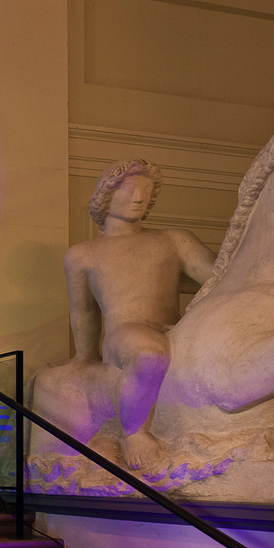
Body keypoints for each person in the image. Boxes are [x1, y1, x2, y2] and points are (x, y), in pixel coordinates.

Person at [63, 159, 216, 471]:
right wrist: (85, 356)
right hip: (125, 335)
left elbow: (219, 278)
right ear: (105, 196)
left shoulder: (174, 240)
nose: (138, 198)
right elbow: (83, 312)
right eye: (130, 190)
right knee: (147, 353)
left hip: (173, 330)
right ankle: (135, 433)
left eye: (146, 193)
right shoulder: (83, 254)